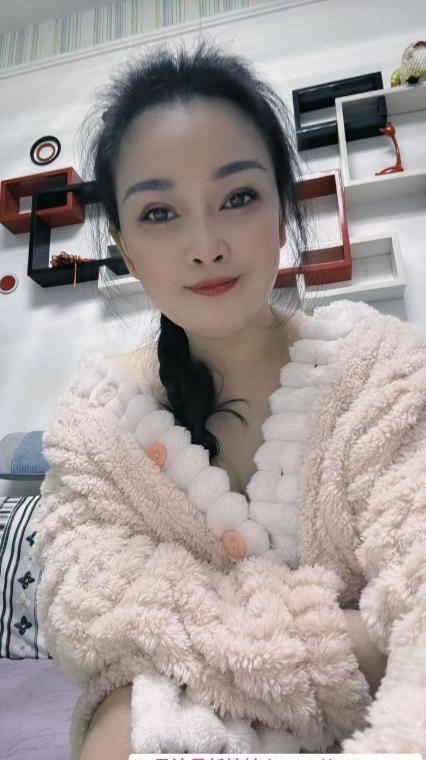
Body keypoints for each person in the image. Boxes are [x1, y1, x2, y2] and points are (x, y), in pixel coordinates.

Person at [32, 38, 426, 760]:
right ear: (124, 244)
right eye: (160, 213)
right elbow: (88, 617)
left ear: (281, 210)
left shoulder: (384, 374)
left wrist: (202, 646)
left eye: (238, 197)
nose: (206, 244)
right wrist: (359, 640)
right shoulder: (98, 424)